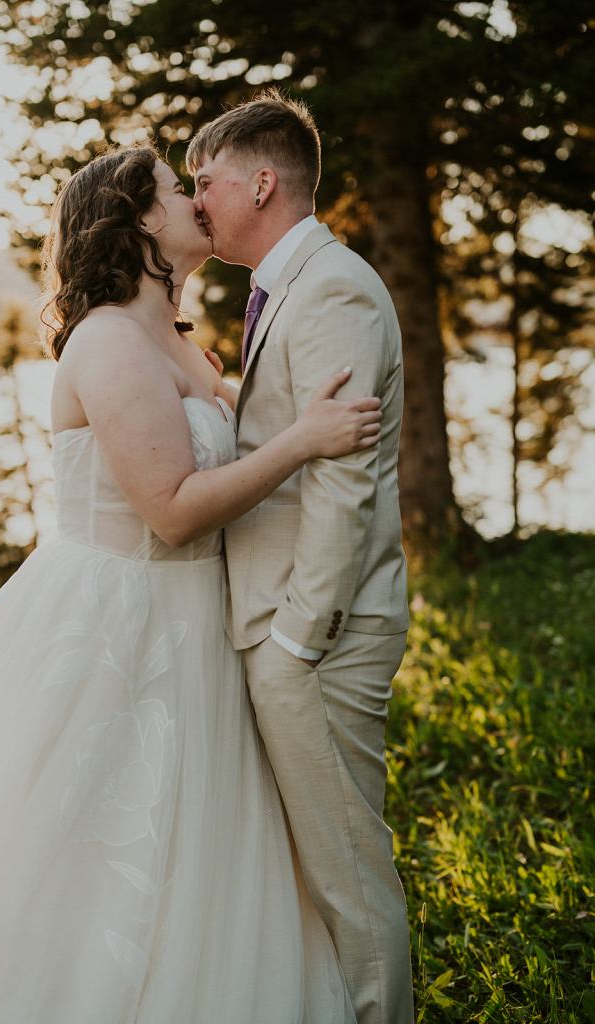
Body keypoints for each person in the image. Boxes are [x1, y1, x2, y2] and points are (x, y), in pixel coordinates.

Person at [0, 143, 383, 1023]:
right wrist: (303, 441)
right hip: (119, 622)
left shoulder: (175, 342)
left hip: (198, 618)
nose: (200, 198)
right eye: (179, 187)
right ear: (135, 220)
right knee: (89, 858)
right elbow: (170, 510)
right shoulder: (108, 342)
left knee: (201, 856)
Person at [187, 90, 414, 1024]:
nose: (198, 201)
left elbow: (343, 483)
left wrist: (296, 641)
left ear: (262, 180)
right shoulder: (286, 288)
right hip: (291, 628)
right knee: (321, 865)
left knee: (350, 873)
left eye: (206, 181)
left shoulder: (333, 286)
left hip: (315, 635)